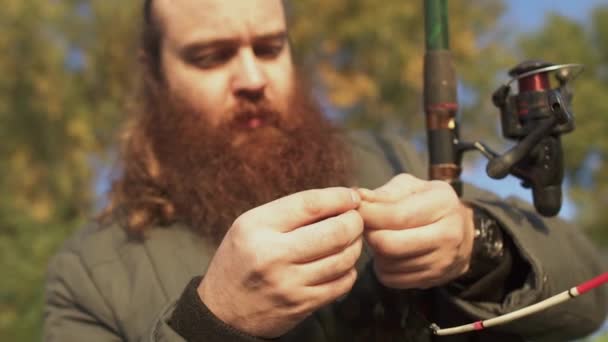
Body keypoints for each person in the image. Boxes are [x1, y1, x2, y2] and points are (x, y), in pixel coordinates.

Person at [43, 0, 607, 341]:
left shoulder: (390, 160)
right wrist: (213, 323)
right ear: (155, 72)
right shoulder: (88, 274)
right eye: (210, 56)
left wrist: (476, 246)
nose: (252, 78)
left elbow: (588, 299)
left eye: (269, 48)